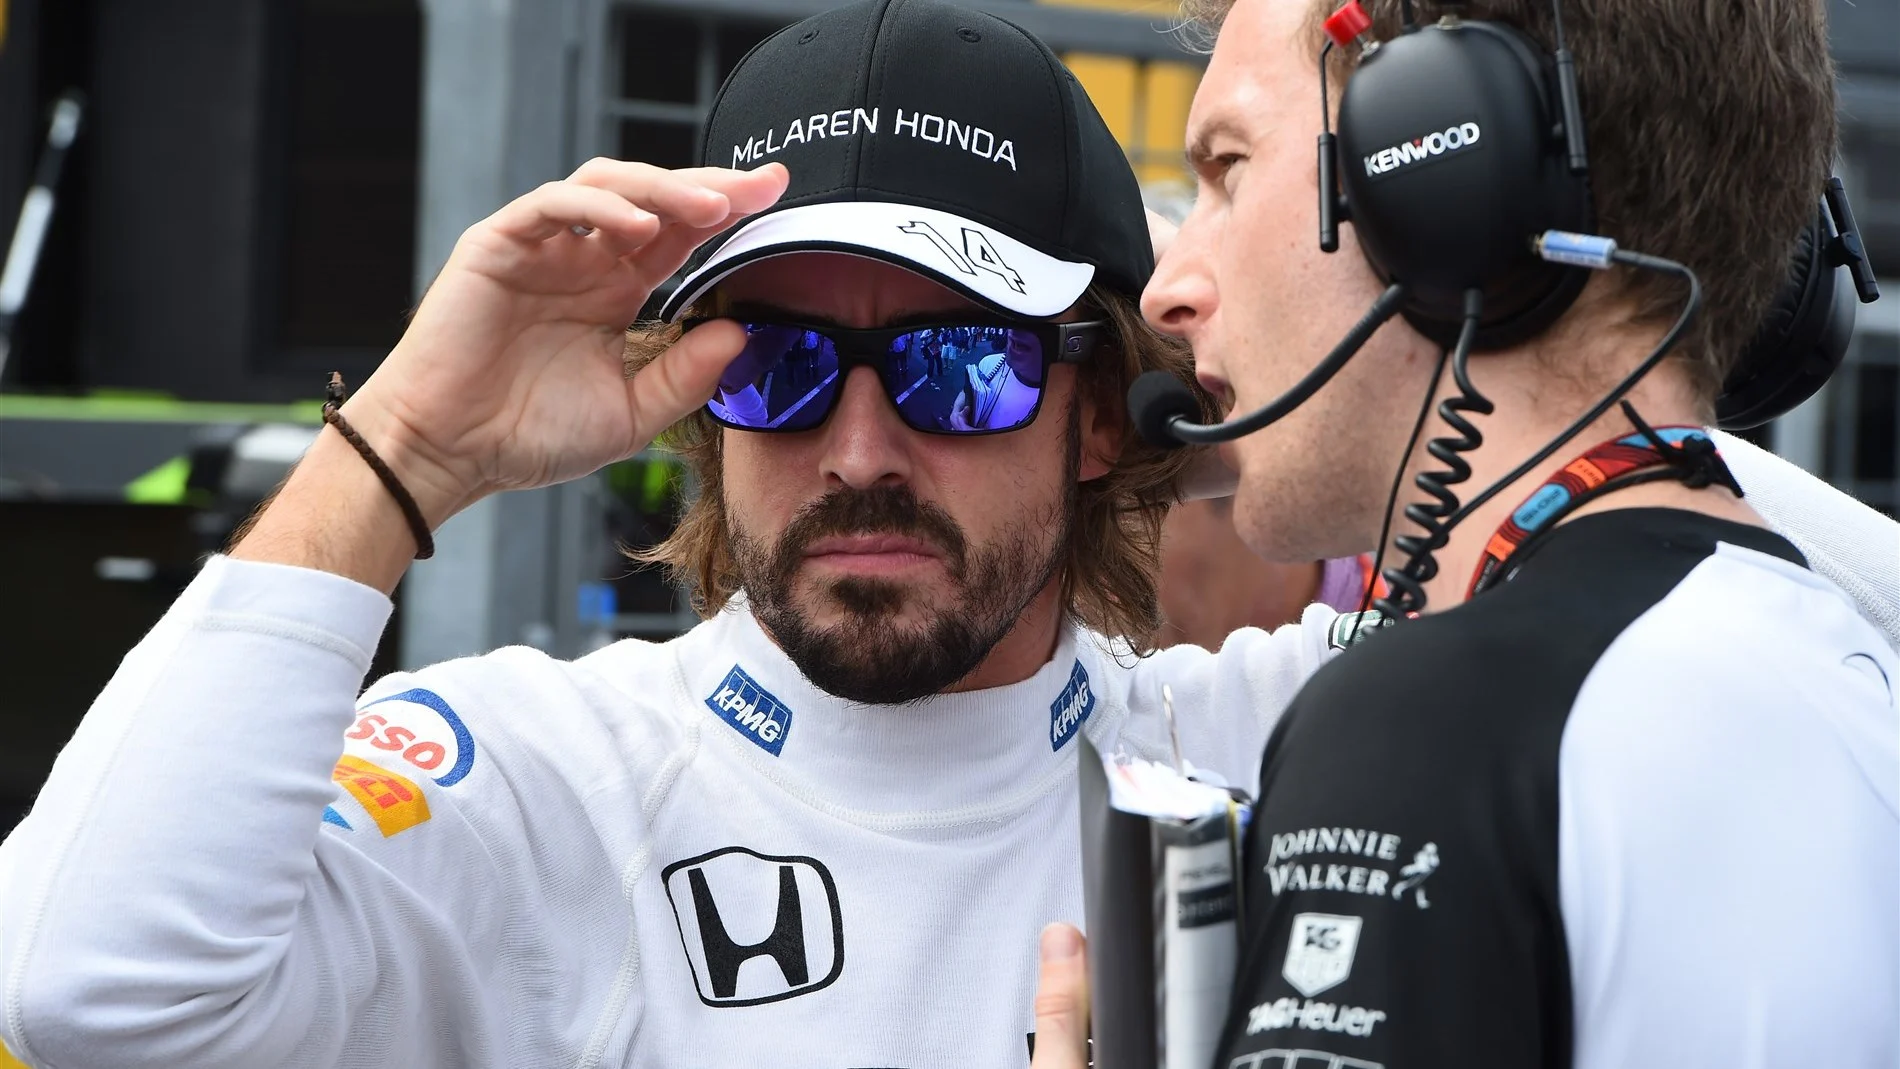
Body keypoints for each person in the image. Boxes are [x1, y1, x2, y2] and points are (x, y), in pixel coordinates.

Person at [0, 3, 1340, 1067]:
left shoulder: (1280, 748)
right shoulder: (547, 782)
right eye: (775, 364)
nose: (859, 451)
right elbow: (82, 988)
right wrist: (404, 445)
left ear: (1102, 413)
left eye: (960, 363)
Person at [1030, 0, 1899, 1067]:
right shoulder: (1837, 660)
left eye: (1227, 168)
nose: (1168, 291)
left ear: (1440, 165)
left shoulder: (1424, 720)